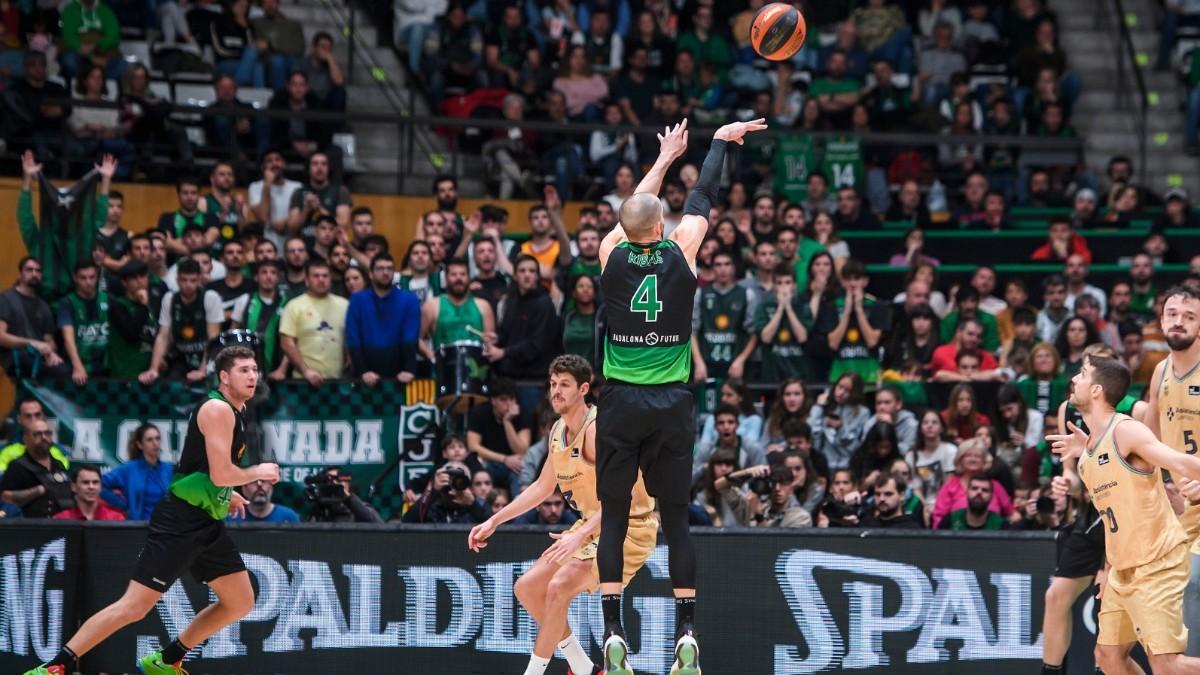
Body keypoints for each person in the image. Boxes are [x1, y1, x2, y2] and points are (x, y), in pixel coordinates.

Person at [595, 118, 765, 673]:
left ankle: (613, 632)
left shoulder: (610, 252)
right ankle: (687, 634)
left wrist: (664, 157)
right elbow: (704, 195)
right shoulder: (682, 250)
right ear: (661, 225)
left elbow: (634, 210)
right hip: (671, 403)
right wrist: (718, 142)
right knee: (676, 520)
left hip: (620, 402)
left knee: (614, 517)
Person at [21, 347, 280, 675]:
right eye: (243, 370)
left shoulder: (236, 410)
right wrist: (256, 472)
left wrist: (227, 494)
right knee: (134, 607)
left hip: (206, 521)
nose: (252, 375)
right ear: (224, 377)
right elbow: (220, 473)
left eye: (254, 369)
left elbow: (199, 468)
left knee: (240, 601)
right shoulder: (217, 409)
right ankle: (55, 667)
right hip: (181, 521)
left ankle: (167, 660)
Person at [470, 355, 653, 675]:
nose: (556, 391)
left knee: (557, 587)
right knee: (527, 588)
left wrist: (579, 535)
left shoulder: (597, 430)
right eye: (553, 384)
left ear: (583, 389)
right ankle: (582, 668)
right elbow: (542, 488)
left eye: (564, 384)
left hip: (627, 526)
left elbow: (620, 498)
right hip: (592, 525)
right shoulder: (557, 430)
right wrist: (494, 520)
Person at [1049, 354, 1200, 675]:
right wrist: (1109, 568)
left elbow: (1180, 462)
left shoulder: (1127, 431)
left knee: (1167, 665)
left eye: (1082, 374)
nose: (1074, 379)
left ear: (1096, 390)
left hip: (1157, 563)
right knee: (1108, 656)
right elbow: (1113, 518)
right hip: (1122, 568)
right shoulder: (1088, 453)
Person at [1142, 285, 1200, 657]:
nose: (1179, 322)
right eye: (1172, 314)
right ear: (1162, 320)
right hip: (1180, 511)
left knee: (1193, 584)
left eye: (1190, 316)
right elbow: (1149, 440)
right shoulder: (1161, 371)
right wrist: (1160, 483)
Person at [346, 253, 421, 387]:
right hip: (364, 374)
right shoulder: (357, 300)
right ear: (371, 274)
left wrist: (409, 369)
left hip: (400, 374)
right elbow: (353, 338)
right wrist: (363, 371)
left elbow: (411, 337)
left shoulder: (409, 300)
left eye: (390, 268)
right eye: (380, 268)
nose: (385, 272)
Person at [144, 259, 223, 384]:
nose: (188, 284)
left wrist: (202, 370)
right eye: (184, 280)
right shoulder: (169, 299)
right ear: (177, 280)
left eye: (193, 280)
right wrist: (153, 369)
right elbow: (163, 336)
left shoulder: (210, 297)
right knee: (170, 384)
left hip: (205, 357)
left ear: (199, 279)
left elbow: (213, 338)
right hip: (180, 357)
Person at [279, 260, 349, 386]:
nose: (321, 280)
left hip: (338, 380)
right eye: (316, 276)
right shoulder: (294, 306)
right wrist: (306, 371)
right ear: (306, 280)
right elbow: (287, 343)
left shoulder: (345, 305)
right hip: (303, 380)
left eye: (325, 276)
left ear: (330, 279)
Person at [0, 418, 73, 518]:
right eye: (37, 434)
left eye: (47, 433)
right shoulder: (17, 466)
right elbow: (6, 497)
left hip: (60, 522)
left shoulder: (58, 465)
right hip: (30, 523)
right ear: (25, 438)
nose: (44, 437)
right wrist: (38, 490)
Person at [230, 260, 289, 379]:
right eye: (264, 272)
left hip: (278, 373)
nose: (268, 276)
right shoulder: (244, 301)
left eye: (273, 273)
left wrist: (282, 370)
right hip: (246, 372)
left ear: (278, 278)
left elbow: (292, 341)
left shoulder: (287, 304)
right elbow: (233, 335)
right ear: (256, 277)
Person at [101, 423, 173, 521]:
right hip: (139, 526)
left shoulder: (168, 469)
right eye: (149, 440)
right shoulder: (129, 469)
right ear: (140, 445)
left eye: (158, 438)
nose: (155, 443)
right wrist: (124, 505)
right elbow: (100, 484)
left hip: (165, 525)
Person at [306, 466, 383, 523]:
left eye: (338, 479)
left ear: (347, 483)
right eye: (329, 481)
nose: (334, 483)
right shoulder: (320, 510)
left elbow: (379, 526)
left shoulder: (358, 507)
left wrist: (348, 497)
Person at [53, 465, 125, 521]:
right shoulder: (60, 519)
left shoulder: (116, 518)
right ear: (73, 487)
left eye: (95, 482)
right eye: (85, 482)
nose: (91, 487)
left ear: (101, 486)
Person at [937, 475, 1008, 530]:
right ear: (966, 493)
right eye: (974, 488)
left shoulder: (1002, 526)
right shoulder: (950, 521)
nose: (979, 492)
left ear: (991, 496)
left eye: (985, 490)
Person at [226, 478, 299, 523]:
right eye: (254, 481)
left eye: (264, 480)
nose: (259, 485)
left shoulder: (288, 517)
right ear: (244, 489)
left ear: (271, 488)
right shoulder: (231, 517)